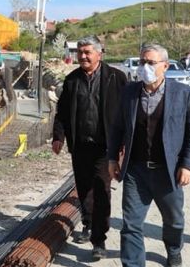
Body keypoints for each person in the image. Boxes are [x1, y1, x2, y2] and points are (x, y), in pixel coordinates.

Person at [107, 43, 190, 267]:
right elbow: (117, 128)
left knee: (174, 221)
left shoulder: (184, 94)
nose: (144, 67)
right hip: (136, 171)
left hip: (168, 171)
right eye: (142, 62)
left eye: (151, 63)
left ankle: (173, 249)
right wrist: (113, 158)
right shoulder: (129, 92)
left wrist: (189, 165)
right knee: (131, 225)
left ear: (165, 66)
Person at [52, 35, 127, 260]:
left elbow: (127, 114)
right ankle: (87, 223)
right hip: (80, 146)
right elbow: (62, 112)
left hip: (106, 148)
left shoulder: (117, 78)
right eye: (80, 52)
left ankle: (99, 240)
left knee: (101, 190)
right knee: (84, 189)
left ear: (99, 53)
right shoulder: (72, 80)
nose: (83, 56)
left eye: (87, 52)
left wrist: (124, 144)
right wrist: (58, 136)